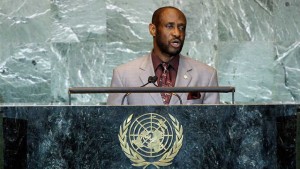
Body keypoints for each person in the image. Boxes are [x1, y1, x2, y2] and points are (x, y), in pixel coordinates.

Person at [107, 6, 219, 105]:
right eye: (170, 26)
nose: (177, 33)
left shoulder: (206, 75)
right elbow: (114, 124)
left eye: (181, 28)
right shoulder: (123, 75)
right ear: (153, 30)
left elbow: (213, 126)